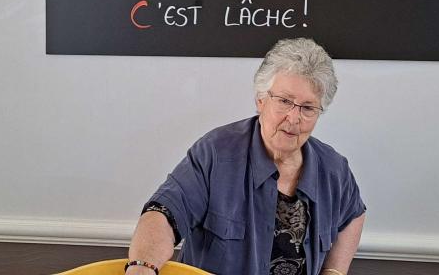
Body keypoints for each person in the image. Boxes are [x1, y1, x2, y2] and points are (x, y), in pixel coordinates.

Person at [127, 38, 366, 275]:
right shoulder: (215, 153)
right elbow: (164, 213)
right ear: (260, 100)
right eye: (284, 101)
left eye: (307, 108)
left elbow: (354, 214)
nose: (294, 118)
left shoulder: (334, 169)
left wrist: (334, 271)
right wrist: (143, 266)